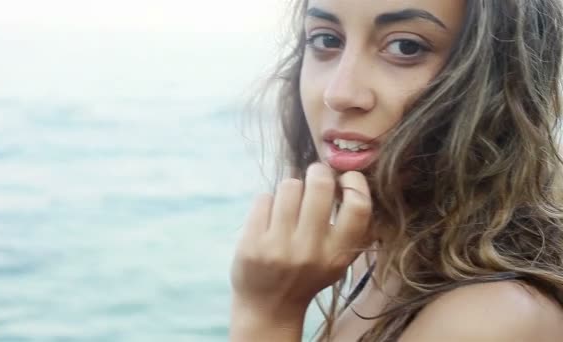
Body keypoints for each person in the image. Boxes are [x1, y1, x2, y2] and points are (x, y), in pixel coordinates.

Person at [229, 0, 563, 341]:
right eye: (327, 41)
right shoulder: (377, 256)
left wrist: (267, 314)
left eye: (406, 47)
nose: (339, 93)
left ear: (502, 81)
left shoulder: (492, 319)